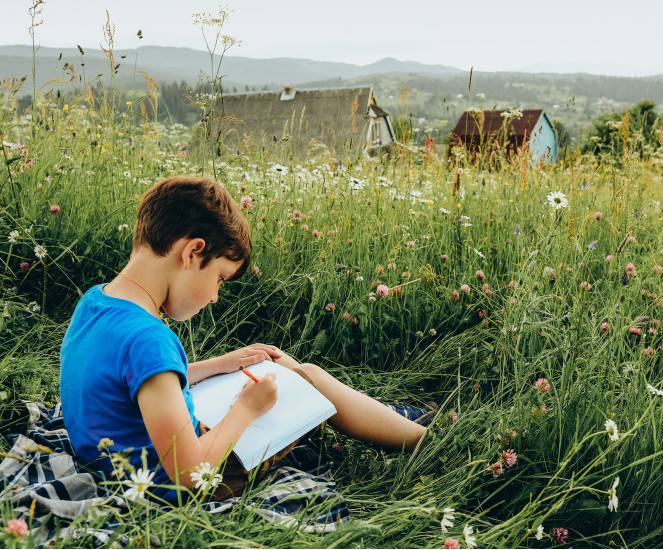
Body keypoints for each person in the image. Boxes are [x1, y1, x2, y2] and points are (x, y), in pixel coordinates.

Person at [60, 175, 432, 502]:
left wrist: (216, 366)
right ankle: (424, 442)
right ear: (193, 251)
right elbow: (189, 474)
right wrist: (245, 409)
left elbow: (136, 384)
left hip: (118, 464)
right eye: (220, 278)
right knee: (306, 380)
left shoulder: (98, 301)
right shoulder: (147, 337)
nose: (214, 296)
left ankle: (393, 418)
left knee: (275, 364)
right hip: (182, 483)